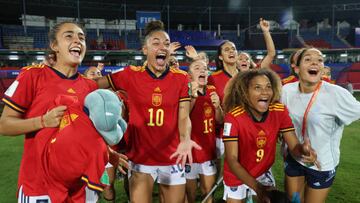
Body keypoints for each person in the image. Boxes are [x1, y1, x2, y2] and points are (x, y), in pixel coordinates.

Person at [95, 20, 201, 203]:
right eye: (156, 43)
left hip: (172, 157)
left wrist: (185, 139)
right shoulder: (130, 74)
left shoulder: (181, 78)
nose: (163, 47)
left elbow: (184, 117)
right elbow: (95, 85)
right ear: (145, 50)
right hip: (141, 157)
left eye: (166, 44)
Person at [0, 21, 98, 202]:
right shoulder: (32, 76)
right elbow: (4, 125)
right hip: (39, 186)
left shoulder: (90, 87)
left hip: (79, 187)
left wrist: (110, 154)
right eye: (69, 36)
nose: (77, 41)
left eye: (81, 38)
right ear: (54, 46)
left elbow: (90, 135)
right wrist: (43, 121)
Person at [221, 68, 317, 203]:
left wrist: (303, 151)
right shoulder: (234, 117)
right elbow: (232, 159)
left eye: (268, 87)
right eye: (257, 87)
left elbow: (294, 146)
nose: (265, 92)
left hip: (262, 172)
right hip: (237, 176)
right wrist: (257, 188)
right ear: (245, 92)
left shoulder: (279, 110)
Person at [281, 48, 360, 203]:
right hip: (294, 157)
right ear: (296, 68)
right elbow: (281, 120)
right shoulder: (286, 91)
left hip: (321, 164)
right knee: (293, 201)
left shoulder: (336, 94)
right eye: (308, 59)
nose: (315, 62)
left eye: (319, 60)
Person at [43, 89, 127, 202]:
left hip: (47, 167)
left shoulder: (74, 105)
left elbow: (60, 98)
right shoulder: (97, 147)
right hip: (69, 183)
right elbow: (96, 184)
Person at [185, 59, 223, 203]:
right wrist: (192, 97)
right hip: (189, 153)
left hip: (207, 151)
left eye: (205, 68)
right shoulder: (184, 91)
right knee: (190, 194)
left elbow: (220, 120)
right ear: (189, 75)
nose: (202, 70)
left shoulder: (212, 90)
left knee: (208, 193)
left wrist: (218, 107)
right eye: (197, 68)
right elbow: (181, 118)